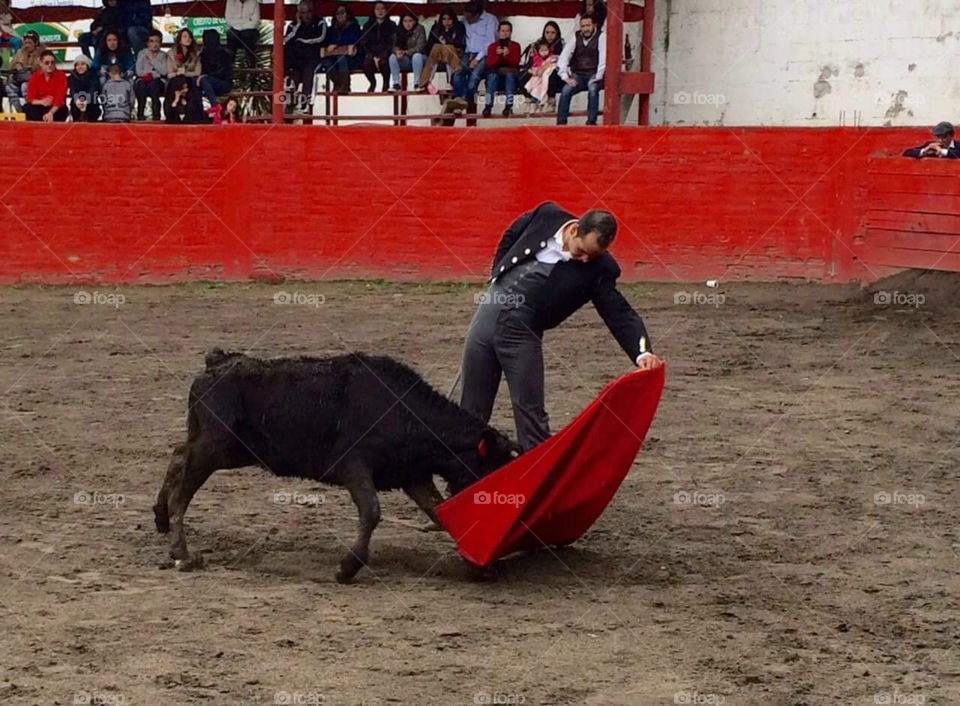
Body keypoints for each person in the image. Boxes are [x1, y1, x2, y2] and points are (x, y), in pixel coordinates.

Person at [460, 202, 661, 452]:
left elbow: (618, 312)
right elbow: (512, 233)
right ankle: (462, 478)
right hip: (488, 312)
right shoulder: (546, 215)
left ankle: (536, 482)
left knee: (530, 413)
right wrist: (497, 274)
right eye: (582, 251)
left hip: (523, 331)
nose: (585, 258)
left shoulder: (600, 269)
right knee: (470, 409)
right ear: (574, 230)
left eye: (593, 255)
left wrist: (642, 351)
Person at [556, 15, 604, 125]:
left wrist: (598, 76)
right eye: (583, 26)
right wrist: (565, 76)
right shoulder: (575, 37)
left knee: (592, 90)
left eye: (588, 25)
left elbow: (603, 59)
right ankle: (561, 123)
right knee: (566, 90)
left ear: (594, 25)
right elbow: (564, 57)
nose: (585, 28)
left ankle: (591, 122)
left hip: (594, 74)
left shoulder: (601, 37)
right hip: (579, 75)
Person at [449, 0, 497, 107]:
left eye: (470, 18)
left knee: (474, 78)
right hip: (468, 53)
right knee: (457, 73)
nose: (468, 20)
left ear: (477, 15)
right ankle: (457, 99)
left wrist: (477, 58)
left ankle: (465, 99)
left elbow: (490, 43)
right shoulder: (464, 20)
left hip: (485, 54)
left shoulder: (490, 20)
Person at [283, 0, 326, 103]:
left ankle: (305, 102)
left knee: (308, 70)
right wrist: (297, 25)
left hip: (314, 57)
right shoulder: (293, 25)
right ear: (299, 14)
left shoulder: (320, 22)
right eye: (303, 12)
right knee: (293, 70)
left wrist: (302, 41)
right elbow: (285, 40)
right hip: (298, 58)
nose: (307, 15)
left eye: (309, 11)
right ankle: (289, 104)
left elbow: (320, 38)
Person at [418, 6, 465, 95]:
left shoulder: (459, 27)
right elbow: (430, 45)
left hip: (454, 53)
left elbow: (459, 44)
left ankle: (445, 81)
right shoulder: (436, 28)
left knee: (447, 49)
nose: (446, 22)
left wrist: (447, 40)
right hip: (437, 56)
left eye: (449, 19)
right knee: (437, 48)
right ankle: (430, 82)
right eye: (444, 19)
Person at [518, 21, 564, 110]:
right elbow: (529, 61)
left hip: (554, 72)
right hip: (537, 70)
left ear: (557, 33)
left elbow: (562, 62)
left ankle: (551, 101)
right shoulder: (536, 45)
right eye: (547, 32)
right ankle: (529, 99)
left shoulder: (562, 45)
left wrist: (544, 67)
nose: (550, 35)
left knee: (552, 74)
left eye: (553, 32)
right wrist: (532, 69)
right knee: (521, 76)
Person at [318, 3, 361, 94]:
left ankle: (345, 86)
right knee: (326, 62)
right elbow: (325, 42)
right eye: (337, 13)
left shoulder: (354, 26)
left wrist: (336, 44)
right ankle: (338, 84)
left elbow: (353, 40)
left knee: (341, 58)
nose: (340, 15)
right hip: (333, 57)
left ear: (347, 14)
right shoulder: (331, 29)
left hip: (351, 58)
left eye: (342, 12)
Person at [482, 20, 521, 117]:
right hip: (495, 78)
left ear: (511, 32)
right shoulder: (492, 47)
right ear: (498, 32)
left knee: (510, 76)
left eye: (507, 31)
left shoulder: (515, 46)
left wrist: (506, 55)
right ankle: (487, 106)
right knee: (492, 77)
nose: (505, 33)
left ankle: (508, 106)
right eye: (503, 31)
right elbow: (490, 64)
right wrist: (498, 55)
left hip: (510, 78)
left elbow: (515, 62)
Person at [357, 1, 396, 93]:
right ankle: (372, 82)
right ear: (373, 11)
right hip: (371, 54)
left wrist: (383, 55)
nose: (380, 11)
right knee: (366, 63)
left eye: (382, 9)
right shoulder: (367, 25)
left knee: (385, 62)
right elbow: (363, 43)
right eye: (377, 9)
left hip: (385, 54)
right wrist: (372, 56)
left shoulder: (392, 25)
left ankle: (386, 84)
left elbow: (393, 43)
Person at [23, 50, 68, 121]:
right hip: (40, 106)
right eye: (47, 63)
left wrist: (51, 113)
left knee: (62, 110)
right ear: (41, 63)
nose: (50, 65)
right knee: (27, 108)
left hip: (55, 107)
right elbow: (30, 98)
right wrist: (42, 101)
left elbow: (59, 98)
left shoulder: (61, 76)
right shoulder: (34, 76)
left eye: (52, 63)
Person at [5, 30, 43, 112]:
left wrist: (24, 66)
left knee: (25, 86)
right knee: (9, 88)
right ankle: (20, 112)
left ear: (36, 43)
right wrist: (17, 64)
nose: (27, 45)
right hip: (19, 79)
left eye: (29, 43)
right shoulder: (20, 52)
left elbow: (38, 68)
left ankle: (30, 110)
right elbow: (11, 66)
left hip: (35, 82)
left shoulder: (41, 53)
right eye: (25, 43)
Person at [387, 10, 426, 92]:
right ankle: (396, 84)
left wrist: (406, 52)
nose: (407, 24)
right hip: (406, 59)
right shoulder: (398, 31)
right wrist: (397, 52)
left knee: (417, 56)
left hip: (419, 59)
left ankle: (417, 84)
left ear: (414, 21)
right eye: (405, 21)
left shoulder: (420, 29)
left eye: (410, 21)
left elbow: (420, 47)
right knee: (392, 57)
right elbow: (393, 46)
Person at [135, 29, 167, 120]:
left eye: (157, 41)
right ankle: (140, 114)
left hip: (157, 81)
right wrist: (150, 73)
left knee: (154, 85)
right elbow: (138, 71)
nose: (154, 44)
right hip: (143, 79)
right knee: (141, 86)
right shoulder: (142, 53)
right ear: (147, 43)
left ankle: (156, 115)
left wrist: (152, 60)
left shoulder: (163, 55)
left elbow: (164, 71)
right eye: (151, 41)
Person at [198, 29, 233, 106]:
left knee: (204, 80)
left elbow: (224, 73)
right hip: (209, 82)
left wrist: (207, 76)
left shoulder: (224, 54)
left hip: (224, 82)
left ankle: (214, 105)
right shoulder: (203, 54)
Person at [523, 40, 559, 112]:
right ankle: (533, 103)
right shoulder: (536, 59)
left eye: (546, 50)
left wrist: (544, 68)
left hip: (546, 77)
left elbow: (553, 65)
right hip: (537, 78)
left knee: (541, 85)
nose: (544, 52)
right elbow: (532, 69)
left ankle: (542, 102)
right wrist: (534, 71)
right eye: (542, 50)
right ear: (538, 51)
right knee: (534, 86)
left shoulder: (551, 57)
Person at [225, 0, 260, 65]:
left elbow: (255, 21)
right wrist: (241, 26)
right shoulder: (230, 1)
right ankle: (229, 63)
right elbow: (228, 19)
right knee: (231, 34)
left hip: (250, 29)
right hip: (235, 29)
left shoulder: (254, 2)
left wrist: (241, 26)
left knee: (247, 35)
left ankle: (250, 62)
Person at [68, 54, 101, 121]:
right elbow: (73, 90)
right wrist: (77, 100)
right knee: (74, 106)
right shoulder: (72, 78)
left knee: (93, 104)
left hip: (91, 103)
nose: (80, 67)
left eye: (83, 64)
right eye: (77, 65)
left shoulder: (94, 77)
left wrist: (86, 101)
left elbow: (93, 90)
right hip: (76, 104)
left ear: (87, 66)